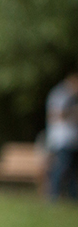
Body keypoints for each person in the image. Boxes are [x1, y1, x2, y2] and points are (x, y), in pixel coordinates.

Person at [45, 68, 78, 201]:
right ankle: (53, 195)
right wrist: (72, 111)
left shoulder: (72, 97)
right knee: (62, 167)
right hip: (61, 139)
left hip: (72, 140)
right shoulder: (60, 94)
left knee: (72, 169)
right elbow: (53, 114)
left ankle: (73, 196)